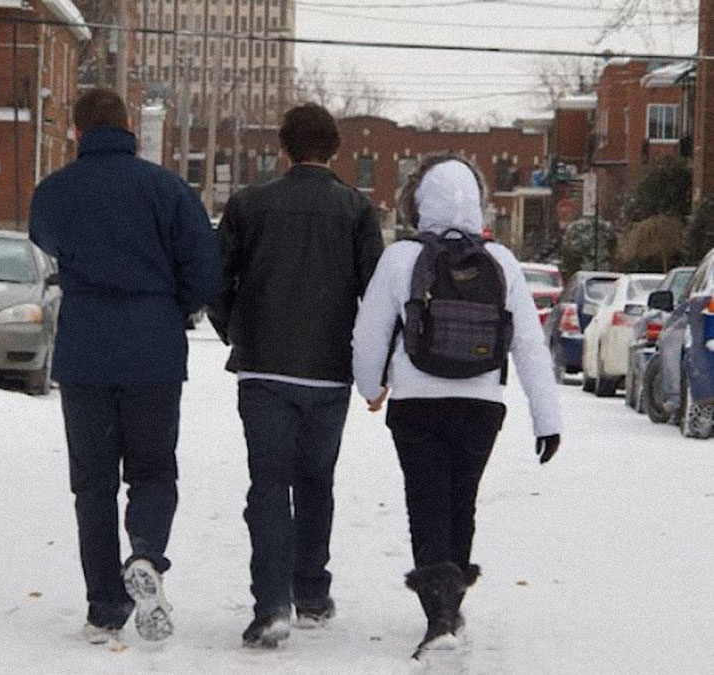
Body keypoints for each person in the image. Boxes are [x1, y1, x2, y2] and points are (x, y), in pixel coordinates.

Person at [29, 88, 220, 647]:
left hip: (86, 349)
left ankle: (104, 607)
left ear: (76, 129)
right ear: (128, 124)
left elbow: (45, 241)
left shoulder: (55, 191)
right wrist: (172, 307)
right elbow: (203, 268)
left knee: (92, 485)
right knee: (154, 471)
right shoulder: (166, 188)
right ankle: (146, 556)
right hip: (153, 350)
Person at [351, 155, 562, 659]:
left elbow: (370, 333)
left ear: (420, 202)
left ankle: (439, 613)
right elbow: (531, 346)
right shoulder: (504, 262)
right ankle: (450, 601)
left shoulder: (402, 258)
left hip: (417, 401)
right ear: (478, 202)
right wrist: (547, 419)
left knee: (425, 502)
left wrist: (370, 386)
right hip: (481, 403)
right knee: (460, 500)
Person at [208, 103, 384, 648]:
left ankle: (271, 605)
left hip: (262, 368)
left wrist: (237, 329)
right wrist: (369, 367)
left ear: (283, 148)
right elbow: (375, 297)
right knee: (316, 481)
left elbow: (215, 283)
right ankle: (310, 588)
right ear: (335, 150)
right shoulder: (356, 211)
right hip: (329, 373)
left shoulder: (248, 206)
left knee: (268, 484)